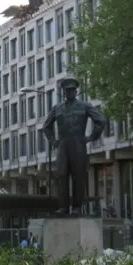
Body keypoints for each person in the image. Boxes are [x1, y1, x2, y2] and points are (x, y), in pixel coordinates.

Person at [43, 77, 106, 215]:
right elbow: (46, 126)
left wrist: (91, 137)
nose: (69, 92)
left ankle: (77, 207)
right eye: (67, 90)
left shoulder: (85, 106)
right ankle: (64, 207)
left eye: (72, 90)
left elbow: (100, 120)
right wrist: (53, 140)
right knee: (62, 175)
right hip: (63, 145)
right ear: (64, 92)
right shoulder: (57, 108)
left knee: (78, 176)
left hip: (78, 144)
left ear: (76, 91)